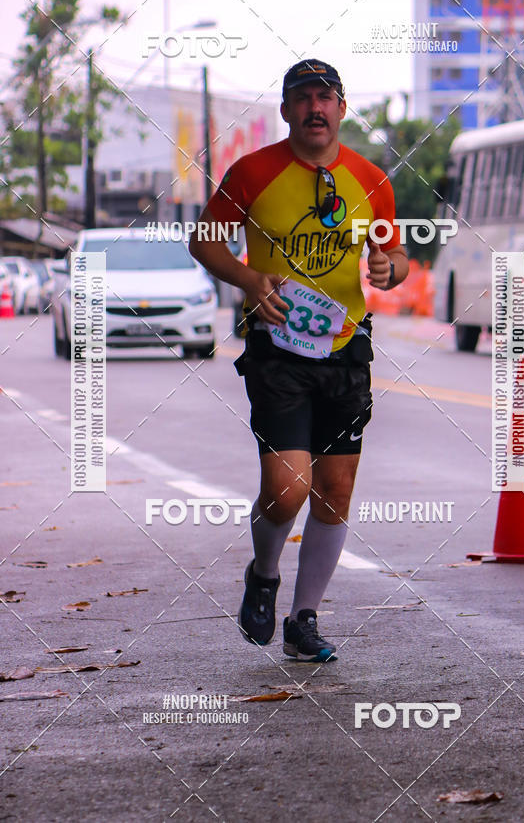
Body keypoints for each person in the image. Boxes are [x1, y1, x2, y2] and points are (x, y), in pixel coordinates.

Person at [189, 59, 409, 662]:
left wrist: (390, 268)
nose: (316, 107)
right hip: (277, 349)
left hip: (345, 348)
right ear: (286, 110)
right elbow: (204, 240)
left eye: (326, 97)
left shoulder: (370, 179)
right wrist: (249, 277)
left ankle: (303, 619)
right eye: (304, 97)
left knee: (334, 490)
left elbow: (395, 256)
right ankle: (263, 574)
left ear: (341, 108)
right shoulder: (252, 171)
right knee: (287, 489)